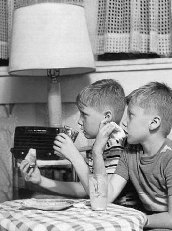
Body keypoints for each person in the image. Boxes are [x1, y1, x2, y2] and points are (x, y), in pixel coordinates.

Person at [93, 82, 172, 230]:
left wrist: (135, 219)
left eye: (131, 115)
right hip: (154, 218)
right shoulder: (130, 152)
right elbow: (105, 197)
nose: (124, 122)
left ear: (154, 123)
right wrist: (97, 151)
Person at [19, 79, 141, 208]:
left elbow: (99, 194)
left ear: (106, 117)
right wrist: (41, 180)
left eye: (84, 114)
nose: (79, 121)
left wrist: (74, 156)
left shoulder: (117, 144)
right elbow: (86, 188)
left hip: (122, 215)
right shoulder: (102, 145)